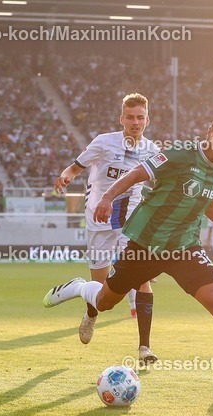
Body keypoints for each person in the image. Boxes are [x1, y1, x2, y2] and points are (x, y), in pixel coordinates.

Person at [43, 113, 213, 395]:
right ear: (208, 132)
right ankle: (79, 287)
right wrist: (107, 197)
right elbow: (137, 174)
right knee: (105, 301)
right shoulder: (180, 154)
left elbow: (209, 203)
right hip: (147, 244)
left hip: (184, 247)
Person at [53, 93, 161, 362]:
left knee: (141, 278)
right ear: (121, 119)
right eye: (130, 117)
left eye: (140, 118)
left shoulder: (152, 150)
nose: (135, 122)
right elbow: (76, 167)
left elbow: (161, 182)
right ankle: (91, 313)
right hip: (99, 219)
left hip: (132, 221)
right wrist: (66, 176)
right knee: (103, 294)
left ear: (147, 120)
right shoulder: (103, 142)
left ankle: (144, 347)